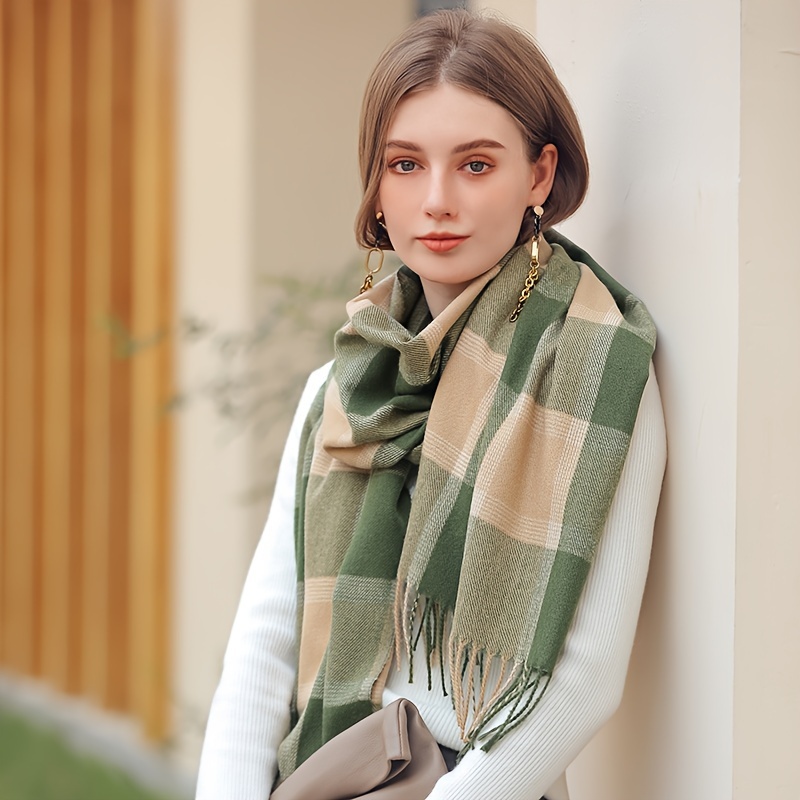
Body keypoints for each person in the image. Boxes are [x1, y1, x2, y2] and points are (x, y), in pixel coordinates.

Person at [195, 9, 666, 800]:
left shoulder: (599, 378)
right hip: (322, 775)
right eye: (406, 165)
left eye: (476, 166)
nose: (436, 201)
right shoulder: (341, 390)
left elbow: (584, 681)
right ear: (377, 186)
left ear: (540, 177)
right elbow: (263, 648)